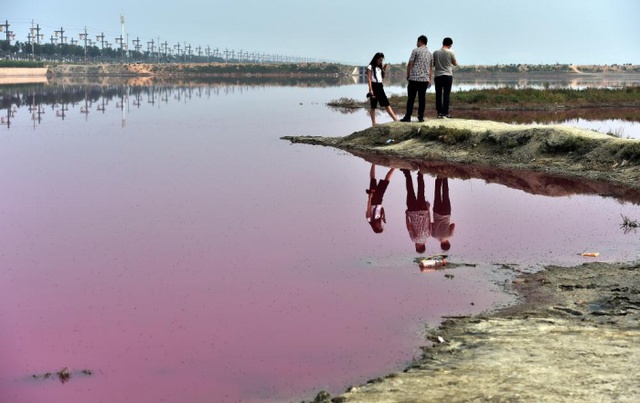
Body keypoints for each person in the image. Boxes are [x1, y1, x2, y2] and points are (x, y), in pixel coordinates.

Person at [400, 35, 433, 123]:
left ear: (420, 41)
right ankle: (420, 117)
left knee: (411, 99)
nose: (416, 43)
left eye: (417, 41)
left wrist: (408, 74)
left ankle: (408, 117)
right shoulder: (430, 54)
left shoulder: (415, 50)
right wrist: (430, 79)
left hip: (414, 78)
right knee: (422, 99)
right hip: (424, 80)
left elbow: (410, 63)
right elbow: (430, 68)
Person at [402, 169, 430, 253]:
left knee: (421, 191)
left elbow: (429, 222)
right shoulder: (414, 239)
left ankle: (421, 174)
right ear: (418, 247)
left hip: (423, 210)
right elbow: (409, 227)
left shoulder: (428, 235)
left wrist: (428, 209)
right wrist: (406, 215)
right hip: (413, 211)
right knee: (410, 191)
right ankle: (407, 173)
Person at [366, 52, 398, 126]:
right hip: (374, 86)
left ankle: (395, 119)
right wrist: (370, 89)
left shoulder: (379, 67)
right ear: (376, 59)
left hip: (380, 86)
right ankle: (374, 123)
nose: (381, 61)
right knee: (373, 105)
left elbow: (382, 77)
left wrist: (383, 69)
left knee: (386, 103)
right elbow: (369, 79)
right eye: (380, 60)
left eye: (382, 60)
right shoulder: (370, 66)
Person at [432, 37, 458, 119]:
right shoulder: (451, 52)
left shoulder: (435, 52)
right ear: (450, 44)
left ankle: (439, 112)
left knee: (438, 94)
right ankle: (445, 113)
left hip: (438, 75)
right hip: (447, 75)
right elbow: (455, 63)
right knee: (446, 94)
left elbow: (433, 64)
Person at [366, 164, 395, 233]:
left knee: (373, 180)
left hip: (373, 200)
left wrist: (370, 197)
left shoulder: (369, 219)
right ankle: (394, 167)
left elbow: (368, 208)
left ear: (375, 227)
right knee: (385, 182)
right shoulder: (379, 219)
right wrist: (383, 215)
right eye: (380, 226)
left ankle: (373, 163)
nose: (380, 225)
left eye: (379, 226)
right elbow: (381, 209)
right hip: (379, 200)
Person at [431, 177, 455, 250]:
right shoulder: (434, 236)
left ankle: (444, 177)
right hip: (437, 212)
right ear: (441, 245)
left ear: (448, 243)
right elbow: (431, 224)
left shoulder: (450, 236)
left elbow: (453, 225)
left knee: (445, 194)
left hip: (446, 213)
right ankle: (438, 177)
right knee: (437, 194)